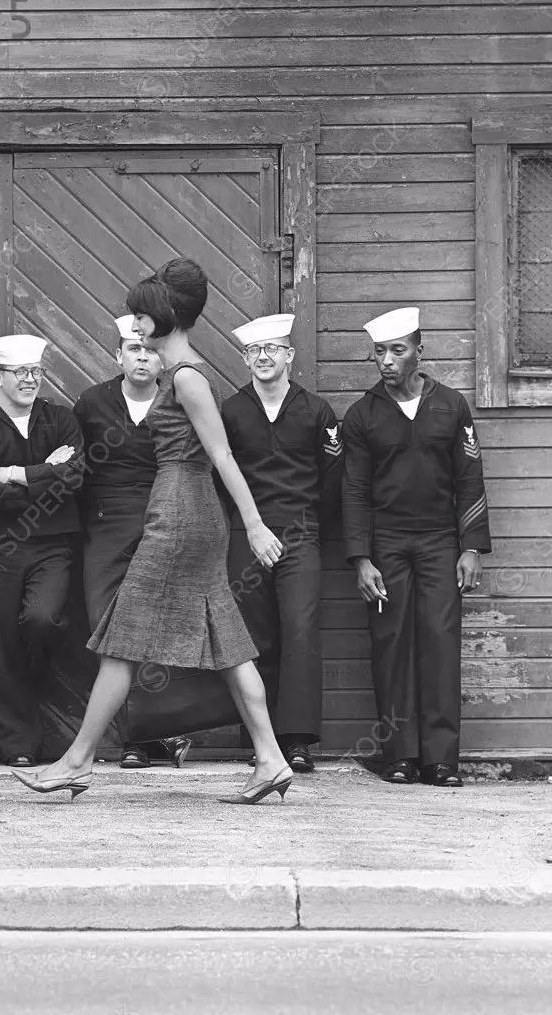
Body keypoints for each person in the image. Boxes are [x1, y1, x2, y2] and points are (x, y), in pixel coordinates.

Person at [13, 259, 292, 804]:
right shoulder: (178, 372)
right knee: (230, 645)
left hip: (181, 515)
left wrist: (255, 525)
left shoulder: (186, 377)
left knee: (122, 640)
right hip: (185, 511)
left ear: (163, 316)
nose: (134, 324)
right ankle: (272, 760)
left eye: (140, 315)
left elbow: (222, 455)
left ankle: (76, 760)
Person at [342, 306, 490, 788]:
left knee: (439, 644)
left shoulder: (451, 406)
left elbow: (469, 479)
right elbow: (355, 491)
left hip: (438, 543)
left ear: (419, 351)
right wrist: (361, 558)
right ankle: (400, 756)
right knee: (391, 646)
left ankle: (442, 760)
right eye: (380, 352)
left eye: (397, 350)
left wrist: (471, 547)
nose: (386, 360)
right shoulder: (362, 414)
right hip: (385, 544)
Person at [222, 313, 343, 774]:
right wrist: (245, 528)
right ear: (246, 359)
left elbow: (333, 482)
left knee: (299, 631)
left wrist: (308, 528)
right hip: (245, 534)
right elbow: (219, 474)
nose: (263, 357)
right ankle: (258, 738)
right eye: (255, 351)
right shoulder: (231, 412)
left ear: (289, 355)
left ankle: (295, 742)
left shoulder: (317, 411)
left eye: (272, 349)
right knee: (251, 637)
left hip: (301, 533)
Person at [0, 334, 84, 767]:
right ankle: (19, 745)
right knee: (0, 645)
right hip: (0, 548)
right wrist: (47, 474)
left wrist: (14, 474)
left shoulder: (61, 419)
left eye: (36, 372)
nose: (31, 380)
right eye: (21, 373)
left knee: (42, 620)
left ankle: (35, 696)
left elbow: (75, 479)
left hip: (53, 547)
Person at [73, 314, 191, 770]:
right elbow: (77, 473)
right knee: (109, 631)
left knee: (159, 631)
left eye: (149, 349)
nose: (142, 357)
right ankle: (132, 736)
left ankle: (150, 739)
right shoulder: (91, 402)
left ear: (162, 356)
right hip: (106, 528)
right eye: (133, 349)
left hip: (163, 523)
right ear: (117, 355)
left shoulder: (178, 398)